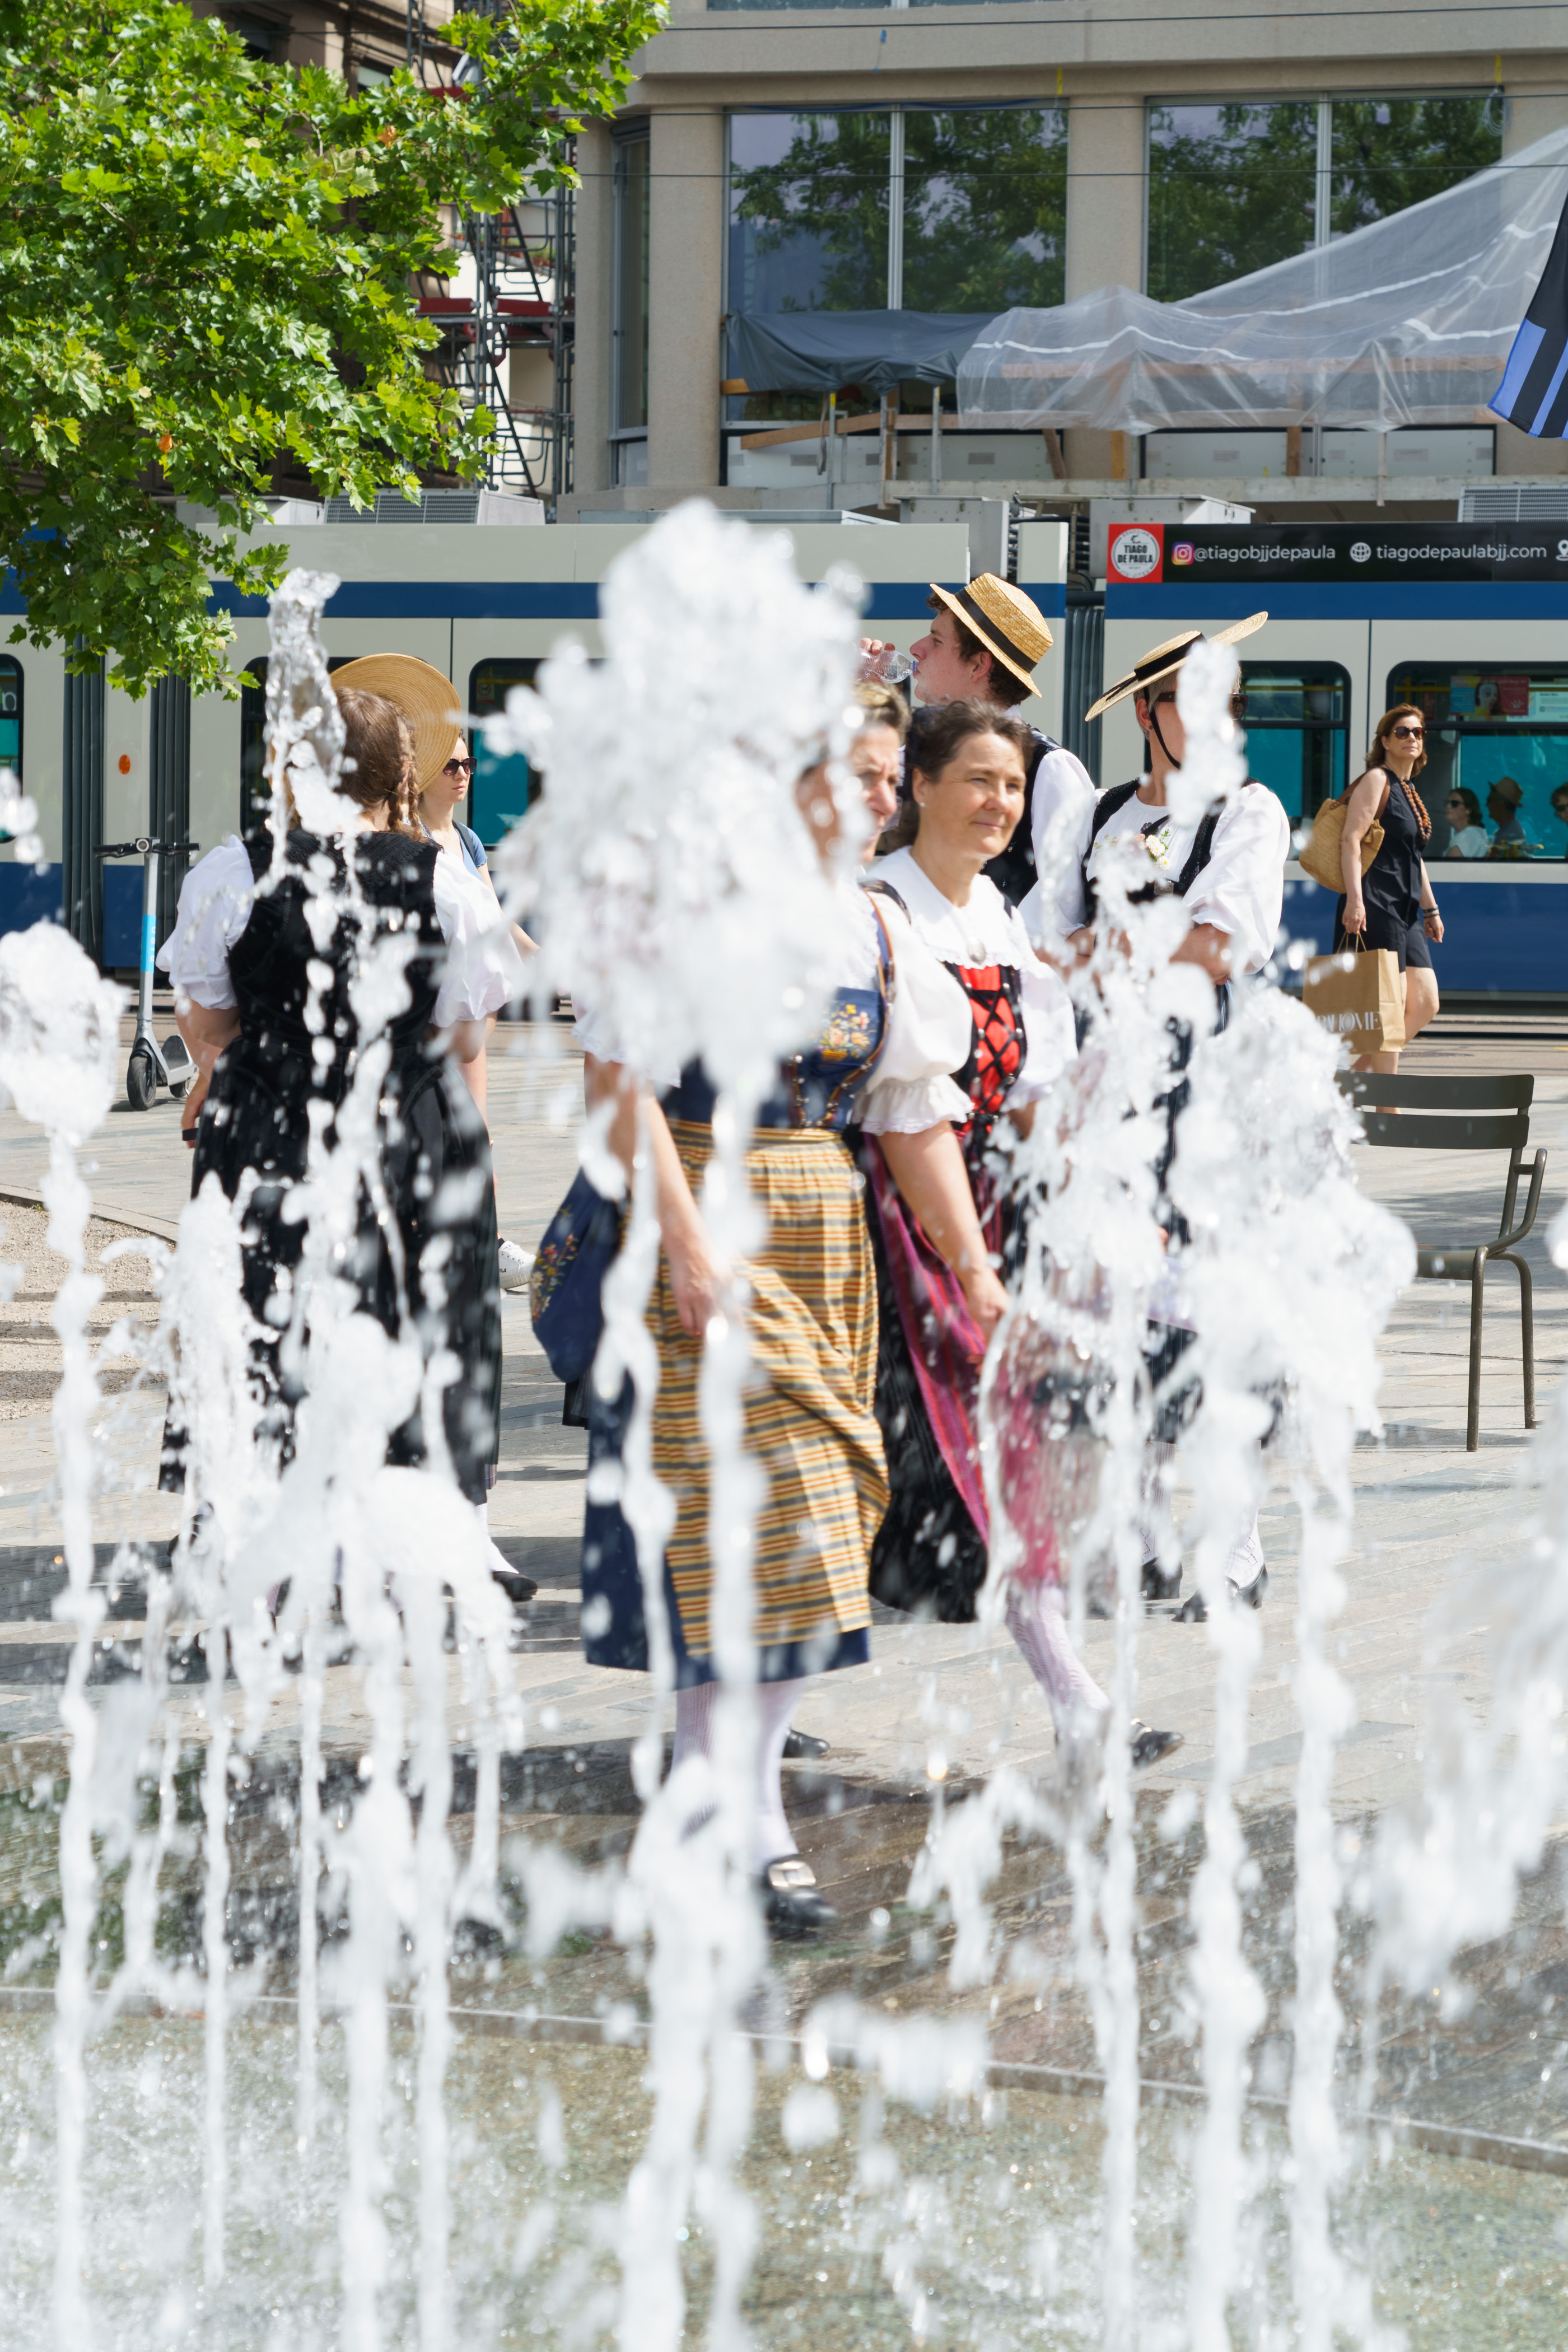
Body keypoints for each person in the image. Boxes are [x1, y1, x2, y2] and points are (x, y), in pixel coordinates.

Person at [576, 727, 977, 1938]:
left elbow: (909, 1117)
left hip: (820, 1226)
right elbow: (618, 1085)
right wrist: (688, 1247)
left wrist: (975, 1271)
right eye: (857, 770)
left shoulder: (874, 925)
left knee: (817, 1520)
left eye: (884, 771)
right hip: (704, 1211)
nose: (879, 792)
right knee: (751, 1517)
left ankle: (697, 1811)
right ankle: (749, 1825)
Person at [865, 698, 1182, 1770]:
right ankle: (731, 1712)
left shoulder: (997, 920)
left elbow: (1036, 1086)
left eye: (1010, 783)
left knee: (1010, 1454)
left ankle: (1078, 1704)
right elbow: (901, 1097)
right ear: (918, 786)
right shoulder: (883, 909)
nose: (999, 802)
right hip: (901, 1214)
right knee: (914, 1466)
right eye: (976, 781)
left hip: (999, 1207)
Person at [157, 671, 528, 1581]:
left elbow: (205, 1024)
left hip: (269, 1131)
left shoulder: (231, 868)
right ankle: (438, 1532)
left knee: (258, 1320)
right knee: (426, 1318)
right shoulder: (443, 874)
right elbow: (467, 1026)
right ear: (400, 774)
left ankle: (239, 1543)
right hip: (408, 1130)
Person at [1065, 620, 1290, 1618]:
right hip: (1109, 1092)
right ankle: (1147, 1545)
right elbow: (1046, 943)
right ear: (1151, 716)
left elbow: (1214, 946)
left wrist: (1107, 952)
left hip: (1209, 1104)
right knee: (1123, 1321)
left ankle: (1236, 1556)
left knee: (1217, 1325)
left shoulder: (1251, 812)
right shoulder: (1108, 814)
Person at [864, 574, 1095, 931]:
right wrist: (862, 705)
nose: (916, 648)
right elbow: (848, 813)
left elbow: (1061, 921)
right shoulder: (923, 749)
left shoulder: (1051, 767)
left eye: (937, 640)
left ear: (978, 666)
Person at [417, 719, 535, 1292]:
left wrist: (542, 960)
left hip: (474, 1015)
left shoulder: (466, 840)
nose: (464, 775)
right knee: (435, 1131)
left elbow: (492, 909)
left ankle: (481, 1239)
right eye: (451, 766)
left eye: (468, 765)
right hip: (432, 1014)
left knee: (477, 1132)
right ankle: (447, 1243)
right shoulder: (408, 840)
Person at [1337, 704, 1443, 1075]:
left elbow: (1414, 856)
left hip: (1407, 907)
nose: (1412, 737)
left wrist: (1431, 910)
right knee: (1391, 1006)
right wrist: (1355, 899)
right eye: (1402, 732)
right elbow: (1350, 839)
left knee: (1427, 1002)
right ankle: (1387, 1104)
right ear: (1384, 740)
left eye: (1418, 732)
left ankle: (1348, 1084)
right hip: (1377, 902)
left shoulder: (1408, 789)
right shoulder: (1377, 780)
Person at [1486, 774, 1529, 854]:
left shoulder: (1509, 835)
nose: (1487, 805)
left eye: (1489, 801)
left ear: (1500, 805)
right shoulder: (1510, 830)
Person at [1443, 788, 1489, 859]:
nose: (1448, 806)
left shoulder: (1465, 837)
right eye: (1447, 803)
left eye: (1454, 804)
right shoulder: (1476, 833)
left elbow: (1448, 867)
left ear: (1468, 810)